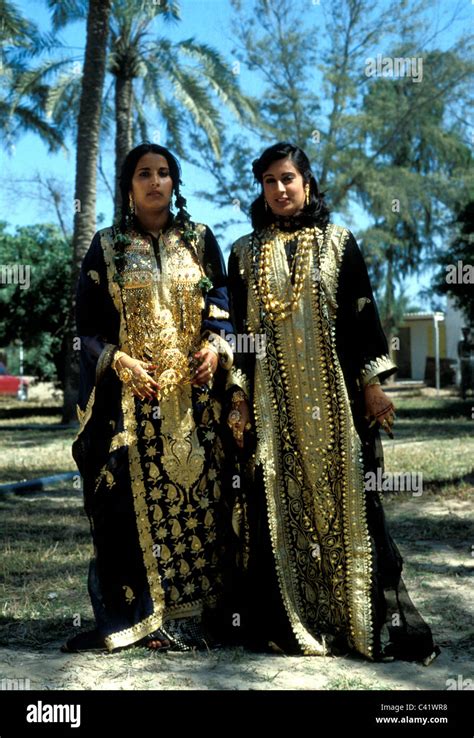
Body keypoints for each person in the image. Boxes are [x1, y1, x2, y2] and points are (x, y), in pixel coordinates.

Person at [226, 142, 439, 663]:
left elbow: (363, 320)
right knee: (276, 505)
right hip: (274, 407)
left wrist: (372, 386)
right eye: (270, 180)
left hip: (336, 405)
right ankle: (291, 622)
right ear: (261, 188)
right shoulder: (243, 253)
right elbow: (239, 334)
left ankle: (359, 622)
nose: (279, 188)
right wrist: (240, 397)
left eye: (289, 178)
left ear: (308, 184)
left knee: (354, 505)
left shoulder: (340, 243)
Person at [63, 143, 238, 653]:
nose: (155, 182)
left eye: (164, 173)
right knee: (126, 505)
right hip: (131, 405)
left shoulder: (200, 240)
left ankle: (204, 616)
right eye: (144, 174)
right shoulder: (105, 246)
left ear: (174, 182)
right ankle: (144, 616)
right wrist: (118, 362)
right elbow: (88, 327)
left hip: (196, 403)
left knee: (205, 501)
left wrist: (213, 345)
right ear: (129, 185)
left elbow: (222, 302)